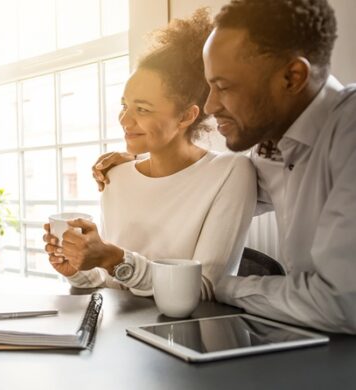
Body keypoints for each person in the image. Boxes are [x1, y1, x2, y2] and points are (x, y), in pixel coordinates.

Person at [94, 0, 356, 334]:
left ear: (292, 77)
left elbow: (341, 303)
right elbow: (205, 181)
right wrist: (144, 160)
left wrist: (218, 285)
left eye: (224, 86)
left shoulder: (349, 133)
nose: (210, 105)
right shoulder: (270, 153)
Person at [42, 10, 256, 301]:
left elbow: (205, 289)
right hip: (117, 337)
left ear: (186, 116)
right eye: (124, 105)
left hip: (184, 337)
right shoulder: (115, 176)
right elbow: (111, 283)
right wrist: (76, 267)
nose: (124, 120)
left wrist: (113, 259)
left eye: (142, 109)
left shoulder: (230, 172)